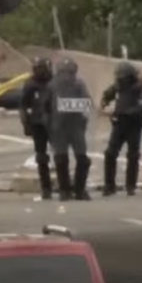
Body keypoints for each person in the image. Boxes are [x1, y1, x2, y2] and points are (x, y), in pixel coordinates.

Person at [44, 58, 93, 202]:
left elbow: (87, 103)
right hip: (62, 126)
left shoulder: (76, 84)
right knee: (63, 158)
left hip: (71, 125)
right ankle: (68, 190)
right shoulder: (53, 86)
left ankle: (74, 190)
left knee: (78, 158)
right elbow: (46, 105)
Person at [99, 62, 142, 196]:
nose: (119, 80)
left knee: (133, 155)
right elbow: (108, 94)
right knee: (110, 153)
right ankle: (109, 185)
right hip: (119, 123)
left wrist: (132, 111)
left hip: (134, 123)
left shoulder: (140, 89)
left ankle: (130, 186)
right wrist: (105, 102)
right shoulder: (118, 86)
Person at [22, 57, 54, 198]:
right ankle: (46, 188)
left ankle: (64, 185)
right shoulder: (30, 84)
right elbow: (23, 105)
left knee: (60, 155)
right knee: (41, 157)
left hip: (54, 122)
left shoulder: (55, 82)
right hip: (37, 124)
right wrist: (26, 123)